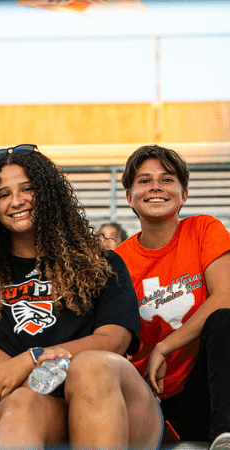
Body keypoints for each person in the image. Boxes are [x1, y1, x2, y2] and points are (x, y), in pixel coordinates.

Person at [0, 144, 164, 449]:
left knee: (90, 366)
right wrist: (25, 374)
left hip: (118, 408)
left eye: (27, 189)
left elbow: (113, 341)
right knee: (21, 402)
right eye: (3, 194)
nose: (16, 201)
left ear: (47, 194)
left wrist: (33, 358)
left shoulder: (102, 264)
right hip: (39, 409)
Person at [115, 145, 230, 449]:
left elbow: (226, 297)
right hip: (156, 396)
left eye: (167, 179)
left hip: (209, 381)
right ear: (129, 196)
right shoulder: (118, 262)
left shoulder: (204, 229)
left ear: (184, 194)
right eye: (144, 180)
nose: (155, 186)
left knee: (225, 320)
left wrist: (165, 347)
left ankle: (225, 436)